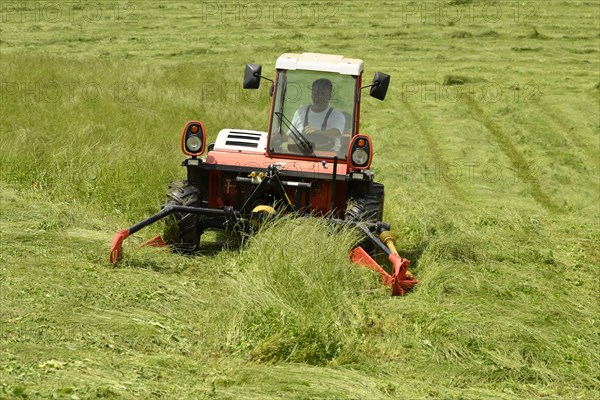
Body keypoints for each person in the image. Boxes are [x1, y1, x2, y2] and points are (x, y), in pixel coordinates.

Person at [288, 78, 346, 152]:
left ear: (329, 96)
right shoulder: (300, 112)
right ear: (312, 94)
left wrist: (317, 131)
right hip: (302, 155)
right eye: (316, 93)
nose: (319, 97)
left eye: (323, 93)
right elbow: (291, 136)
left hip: (328, 157)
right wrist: (293, 151)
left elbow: (336, 133)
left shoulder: (337, 116)